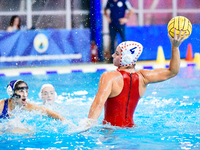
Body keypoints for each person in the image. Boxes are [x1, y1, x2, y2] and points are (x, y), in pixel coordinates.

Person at [87, 29, 188, 127]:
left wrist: (86, 127)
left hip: (111, 132)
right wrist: (175, 47)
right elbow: (172, 72)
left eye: (117, 54)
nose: (113, 55)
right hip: (132, 129)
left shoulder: (109, 77)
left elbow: (98, 104)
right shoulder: (143, 78)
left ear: (126, 58)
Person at [0, 80, 65, 122]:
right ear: (11, 93)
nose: (25, 95)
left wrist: (62, 119)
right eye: (21, 91)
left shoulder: (25, 105)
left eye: (26, 91)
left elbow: (45, 111)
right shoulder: (2, 106)